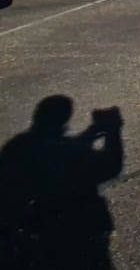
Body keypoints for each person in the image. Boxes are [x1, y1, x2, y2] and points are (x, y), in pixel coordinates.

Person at [0, 96, 124, 269]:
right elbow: (111, 166)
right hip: (77, 236)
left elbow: (55, 149)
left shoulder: (17, 147)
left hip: (31, 238)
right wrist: (113, 131)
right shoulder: (71, 153)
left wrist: (91, 132)